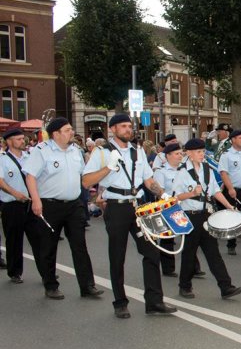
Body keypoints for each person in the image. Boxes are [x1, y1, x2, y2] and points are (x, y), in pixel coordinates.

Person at [82, 114, 183, 318]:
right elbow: (86, 182)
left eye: (129, 126)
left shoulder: (137, 150)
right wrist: (108, 168)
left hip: (138, 206)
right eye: (123, 126)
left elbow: (148, 179)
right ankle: (120, 302)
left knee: (152, 252)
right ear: (113, 129)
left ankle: (154, 301)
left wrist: (163, 194)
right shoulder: (102, 152)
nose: (128, 129)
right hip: (116, 206)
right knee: (117, 256)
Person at [24, 118, 102, 301]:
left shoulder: (75, 151)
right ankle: (50, 285)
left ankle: (87, 286)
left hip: (74, 205)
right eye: (67, 130)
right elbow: (30, 176)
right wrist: (36, 200)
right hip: (50, 205)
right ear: (55, 134)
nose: (71, 132)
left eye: (71, 129)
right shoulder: (41, 151)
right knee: (48, 246)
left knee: (80, 245)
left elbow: (84, 177)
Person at [172, 138, 241, 300]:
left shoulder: (207, 169)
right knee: (189, 253)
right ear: (189, 154)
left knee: (213, 253)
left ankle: (226, 287)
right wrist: (191, 194)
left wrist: (229, 206)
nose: (202, 154)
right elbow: (176, 197)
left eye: (203, 151)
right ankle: (185, 286)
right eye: (198, 152)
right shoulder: (182, 172)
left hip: (205, 215)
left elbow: (216, 192)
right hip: (190, 216)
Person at [153, 143, 205, 278]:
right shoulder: (161, 171)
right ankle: (168, 268)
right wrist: (168, 201)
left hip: (186, 206)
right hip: (169, 207)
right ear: (168, 156)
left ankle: (194, 268)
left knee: (190, 237)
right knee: (168, 238)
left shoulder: (186, 169)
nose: (180, 156)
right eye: (176, 154)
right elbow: (159, 190)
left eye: (181, 153)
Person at [0, 128, 44, 284]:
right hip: (12, 205)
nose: (22, 141)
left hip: (30, 203)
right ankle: (15, 272)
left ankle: (45, 271)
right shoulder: (2, 159)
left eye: (23, 138)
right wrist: (14, 193)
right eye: (18, 139)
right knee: (14, 240)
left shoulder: (29, 157)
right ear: (9, 142)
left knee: (38, 239)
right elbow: (0, 181)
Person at [219, 129, 241, 256]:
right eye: (240, 138)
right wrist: (230, 188)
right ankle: (231, 245)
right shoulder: (226, 155)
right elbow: (224, 173)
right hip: (233, 191)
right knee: (233, 218)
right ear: (233, 140)